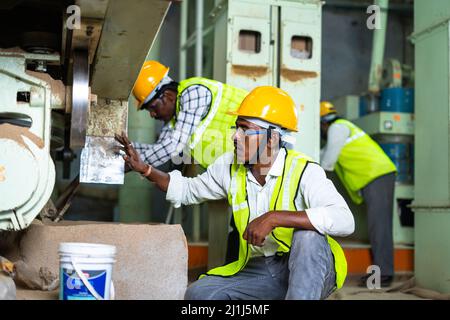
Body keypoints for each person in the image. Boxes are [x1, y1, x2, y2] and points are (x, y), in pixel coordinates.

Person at [115, 87, 354, 300]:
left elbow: (345, 220)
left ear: (271, 139)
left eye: (244, 129)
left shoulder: (304, 170)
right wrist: (145, 169)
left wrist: (274, 217)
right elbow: (188, 190)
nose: (234, 137)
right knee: (200, 294)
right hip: (266, 270)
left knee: (308, 236)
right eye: (236, 127)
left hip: (313, 270)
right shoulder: (229, 166)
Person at [319, 101, 397, 288]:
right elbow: (322, 154)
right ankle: (380, 275)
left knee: (379, 227)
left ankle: (382, 276)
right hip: (376, 176)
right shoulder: (342, 128)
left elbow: (327, 162)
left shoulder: (337, 128)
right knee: (377, 226)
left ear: (323, 123)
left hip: (377, 175)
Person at [129, 60, 248, 169]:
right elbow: (161, 147)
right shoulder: (175, 119)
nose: (152, 114)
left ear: (168, 96)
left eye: (153, 108)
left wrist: (132, 165)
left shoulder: (194, 93)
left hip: (259, 157)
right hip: (238, 170)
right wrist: (128, 149)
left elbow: (174, 146)